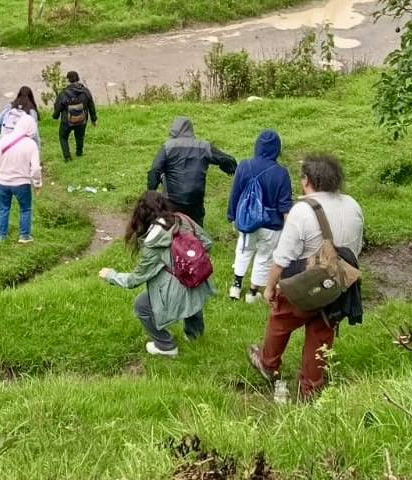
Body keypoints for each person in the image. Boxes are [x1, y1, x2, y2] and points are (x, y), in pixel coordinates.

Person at [248, 153, 364, 401]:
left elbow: (282, 258)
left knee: (280, 319)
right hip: (340, 283)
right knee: (322, 329)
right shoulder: (353, 205)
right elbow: (356, 248)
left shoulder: (302, 211)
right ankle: (310, 388)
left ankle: (268, 364)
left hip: (306, 282)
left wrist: (269, 288)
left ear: (307, 180)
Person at [98, 190, 214, 357]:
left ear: (141, 215)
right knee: (192, 293)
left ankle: (166, 346)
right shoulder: (183, 219)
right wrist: (190, 261)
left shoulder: (153, 244)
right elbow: (207, 242)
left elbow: (135, 279)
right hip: (198, 276)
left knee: (141, 305)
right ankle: (196, 337)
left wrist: (111, 275)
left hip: (179, 287)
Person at [226, 129, 294, 302]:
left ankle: (235, 286)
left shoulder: (244, 165)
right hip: (272, 223)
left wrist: (232, 216)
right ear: (277, 148)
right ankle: (252, 292)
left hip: (248, 220)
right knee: (264, 256)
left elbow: (235, 193)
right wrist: (291, 227)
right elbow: (284, 204)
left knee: (243, 250)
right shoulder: (281, 172)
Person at [147, 116, 237, 227]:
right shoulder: (204, 146)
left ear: (173, 130)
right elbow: (227, 159)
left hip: (172, 200)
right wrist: (231, 170)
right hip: (196, 199)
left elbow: (155, 170)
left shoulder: (167, 147)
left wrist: (151, 191)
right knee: (197, 231)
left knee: (172, 231)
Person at [0, 111, 42, 243]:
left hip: (2, 182)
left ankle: (2, 236)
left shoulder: (5, 139)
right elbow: (35, 169)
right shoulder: (31, 145)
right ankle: (24, 236)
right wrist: (37, 184)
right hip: (22, 183)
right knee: (25, 209)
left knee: (2, 208)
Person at [53, 70, 97, 161]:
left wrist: (55, 116)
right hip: (82, 119)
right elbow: (91, 105)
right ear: (78, 78)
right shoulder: (85, 91)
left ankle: (67, 156)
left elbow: (58, 106)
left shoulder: (63, 93)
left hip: (67, 120)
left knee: (63, 137)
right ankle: (79, 152)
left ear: (68, 80)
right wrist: (93, 119)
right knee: (80, 136)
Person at [0, 86, 42, 152]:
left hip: (5, 141)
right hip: (22, 144)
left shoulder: (10, 106)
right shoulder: (31, 111)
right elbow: (34, 132)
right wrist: (38, 148)